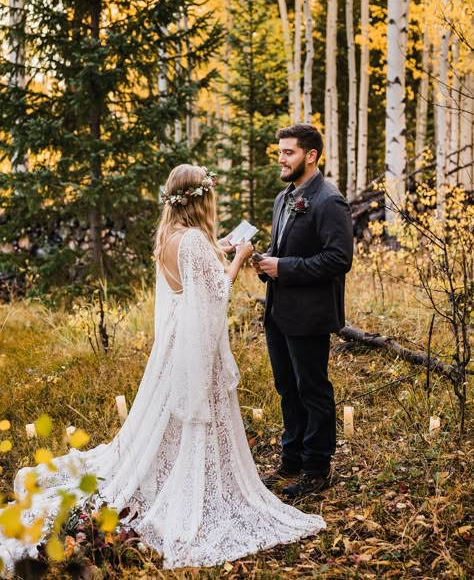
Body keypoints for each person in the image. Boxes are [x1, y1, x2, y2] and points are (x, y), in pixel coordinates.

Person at [0, 164, 325, 574]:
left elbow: (192, 275)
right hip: (193, 342)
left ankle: (172, 468)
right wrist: (240, 257)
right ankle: (193, 484)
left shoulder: (171, 236)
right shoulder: (192, 242)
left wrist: (219, 248)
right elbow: (215, 295)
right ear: (200, 198)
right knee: (194, 413)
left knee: (170, 414)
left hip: (176, 339)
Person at [251, 125, 353, 499]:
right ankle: (290, 460)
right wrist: (263, 260)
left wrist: (286, 267)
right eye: (280, 151)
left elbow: (339, 259)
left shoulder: (329, 201)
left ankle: (316, 468)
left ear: (311, 156)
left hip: (309, 313)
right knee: (286, 388)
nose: (281, 158)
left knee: (312, 389)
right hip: (278, 310)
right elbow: (284, 247)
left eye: (289, 152)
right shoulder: (284, 198)